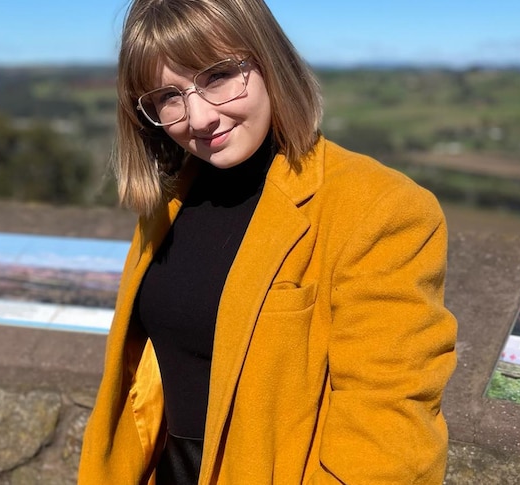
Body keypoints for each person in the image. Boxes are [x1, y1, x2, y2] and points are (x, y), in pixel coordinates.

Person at [78, 0, 458, 483]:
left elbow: (389, 434)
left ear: (270, 60)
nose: (199, 118)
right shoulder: (168, 201)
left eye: (217, 76)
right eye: (169, 96)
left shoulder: (380, 208)